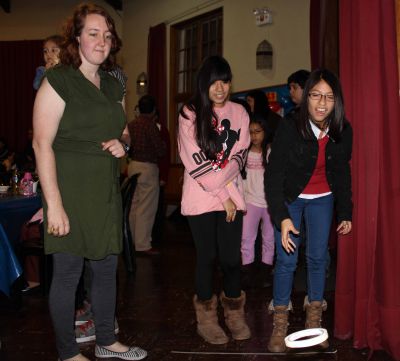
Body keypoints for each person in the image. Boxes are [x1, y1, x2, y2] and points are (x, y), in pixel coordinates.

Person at [32, 3, 147, 361]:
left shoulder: (115, 83)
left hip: (104, 191)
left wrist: (122, 144)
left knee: (105, 268)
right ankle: (68, 353)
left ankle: (106, 340)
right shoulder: (58, 80)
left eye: (107, 35)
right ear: (77, 37)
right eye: (93, 33)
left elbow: (125, 133)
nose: (102, 41)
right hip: (69, 190)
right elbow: (41, 144)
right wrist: (54, 205)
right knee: (68, 273)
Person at [265, 69, 353, 353]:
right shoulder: (290, 127)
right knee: (287, 260)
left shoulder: (342, 130)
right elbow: (274, 174)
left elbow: (341, 173)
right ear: (306, 98)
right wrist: (282, 217)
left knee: (318, 258)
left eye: (328, 97)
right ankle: (280, 321)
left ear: (336, 101)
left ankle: (314, 321)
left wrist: (345, 212)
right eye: (315, 95)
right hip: (292, 197)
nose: (322, 103)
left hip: (323, 199)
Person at [178, 55, 251, 345]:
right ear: (203, 84)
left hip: (232, 195)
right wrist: (224, 196)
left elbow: (239, 156)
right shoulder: (190, 113)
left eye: (225, 81)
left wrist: (227, 195)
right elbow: (194, 162)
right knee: (206, 258)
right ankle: (206, 319)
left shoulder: (240, 112)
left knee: (232, 259)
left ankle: (234, 313)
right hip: (202, 197)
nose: (220, 88)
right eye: (213, 82)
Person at [127, 95, 166, 255]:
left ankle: (131, 241)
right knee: (146, 208)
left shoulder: (131, 124)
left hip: (132, 166)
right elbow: (160, 150)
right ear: (153, 110)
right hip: (148, 168)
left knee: (133, 206)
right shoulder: (151, 126)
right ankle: (142, 245)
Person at [240, 114, 274, 288]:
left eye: (258, 132)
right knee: (247, 238)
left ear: (265, 132)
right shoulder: (244, 153)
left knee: (269, 238)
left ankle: (266, 273)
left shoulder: (271, 152)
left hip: (269, 204)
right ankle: (247, 273)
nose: (254, 136)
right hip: (250, 202)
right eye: (251, 132)